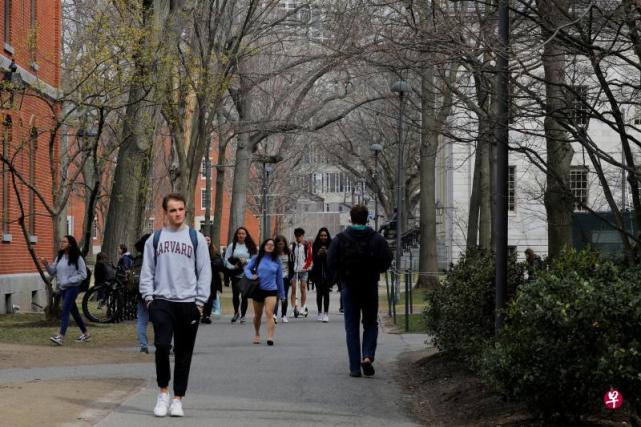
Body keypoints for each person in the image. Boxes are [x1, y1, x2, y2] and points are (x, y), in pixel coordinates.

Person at [139, 193, 212, 418]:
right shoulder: (155, 239)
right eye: (172, 210)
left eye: (180, 209)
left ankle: (178, 398)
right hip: (161, 302)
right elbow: (147, 271)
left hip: (188, 303)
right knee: (161, 346)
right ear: (166, 212)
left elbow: (204, 271)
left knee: (183, 352)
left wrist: (200, 303)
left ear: (185, 211)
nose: (177, 213)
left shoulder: (196, 238)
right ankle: (163, 393)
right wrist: (149, 299)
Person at [328, 205, 392, 378]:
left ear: (351, 217)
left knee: (351, 327)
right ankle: (368, 356)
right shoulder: (376, 238)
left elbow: (331, 261)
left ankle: (354, 367)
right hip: (370, 285)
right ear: (367, 218)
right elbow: (387, 259)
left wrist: (340, 276)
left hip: (349, 286)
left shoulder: (341, 238)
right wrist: (376, 270)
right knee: (370, 323)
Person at [41, 235, 91, 345]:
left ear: (70, 244)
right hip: (63, 288)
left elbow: (83, 275)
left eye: (64, 241)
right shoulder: (59, 256)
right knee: (74, 312)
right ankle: (86, 333)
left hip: (73, 288)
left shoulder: (77, 257)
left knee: (65, 309)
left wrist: (70, 280)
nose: (62, 243)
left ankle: (60, 336)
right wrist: (46, 264)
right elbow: (52, 272)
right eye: (61, 241)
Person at [244, 239, 285, 345]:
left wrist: (282, 293)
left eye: (272, 245)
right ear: (264, 246)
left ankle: (270, 337)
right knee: (258, 315)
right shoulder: (257, 258)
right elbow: (247, 269)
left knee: (269, 313)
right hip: (258, 289)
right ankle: (257, 334)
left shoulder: (276, 260)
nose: (270, 246)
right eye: (268, 244)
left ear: (274, 247)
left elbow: (279, 278)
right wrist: (251, 276)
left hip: (271, 290)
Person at [224, 227, 257, 323]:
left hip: (246, 274)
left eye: (243, 233)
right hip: (235, 274)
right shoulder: (232, 246)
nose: (241, 235)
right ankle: (236, 313)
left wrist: (246, 260)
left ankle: (243, 315)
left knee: (244, 295)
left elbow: (255, 260)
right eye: (239, 233)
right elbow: (226, 259)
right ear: (236, 235)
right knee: (235, 294)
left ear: (246, 235)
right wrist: (232, 267)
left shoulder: (250, 246)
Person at [133, 233, 151, 353]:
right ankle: (165, 344)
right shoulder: (154, 257)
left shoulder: (137, 260)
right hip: (154, 293)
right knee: (161, 320)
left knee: (142, 320)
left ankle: (143, 345)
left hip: (140, 293)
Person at [311, 227, 333, 323]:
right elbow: (314, 260)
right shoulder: (315, 245)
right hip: (318, 272)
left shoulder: (331, 244)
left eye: (325, 235)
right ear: (319, 236)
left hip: (328, 273)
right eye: (321, 235)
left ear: (327, 236)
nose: (323, 237)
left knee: (326, 293)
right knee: (319, 293)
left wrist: (327, 253)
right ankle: (319, 312)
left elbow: (333, 259)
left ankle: (326, 313)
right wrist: (319, 253)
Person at [289, 228, 313, 318]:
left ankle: (303, 307)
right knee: (294, 289)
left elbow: (310, 258)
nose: (298, 238)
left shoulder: (307, 246)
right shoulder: (292, 246)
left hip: (304, 270)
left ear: (303, 236)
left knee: (303, 288)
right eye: (297, 236)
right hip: (295, 271)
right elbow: (290, 258)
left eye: (300, 236)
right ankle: (293, 308)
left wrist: (307, 267)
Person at [202, 236, 224, 324]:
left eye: (208, 240)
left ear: (210, 241)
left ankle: (207, 315)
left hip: (212, 279)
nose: (207, 241)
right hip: (200, 279)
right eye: (205, 240)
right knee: (203, 297)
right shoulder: (197, 250)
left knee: (210, 297)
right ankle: (202, 314)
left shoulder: (214, 252)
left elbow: (220, 264)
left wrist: (212, 263)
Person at [274, 235, 291, 323]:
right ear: (276, 244)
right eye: (279, 244)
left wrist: (290, 277)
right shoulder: (274, 253)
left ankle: (284, 315)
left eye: (282, 244)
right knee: (276, 296)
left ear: (285, 244)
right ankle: (274, 315)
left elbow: (290, 265)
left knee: (284, 296)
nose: (281, 246)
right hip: (276, 277)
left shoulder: (288, 252)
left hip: (286, 277)